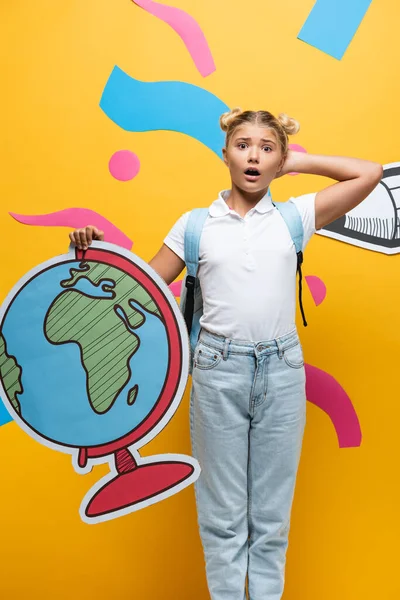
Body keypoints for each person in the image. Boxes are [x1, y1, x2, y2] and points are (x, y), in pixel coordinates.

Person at [69, 108, 382, 599]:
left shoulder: (294, 216)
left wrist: (297, 161)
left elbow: (369, 173)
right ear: (225, 154)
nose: (253, 155)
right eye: (243, 144)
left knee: (271, 522)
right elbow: (140, 293)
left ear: (279, 159)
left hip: (282, 372)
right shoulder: (195, 226)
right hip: (217, 372)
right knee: (222, 520)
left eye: (266, 147)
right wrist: (96, 254)